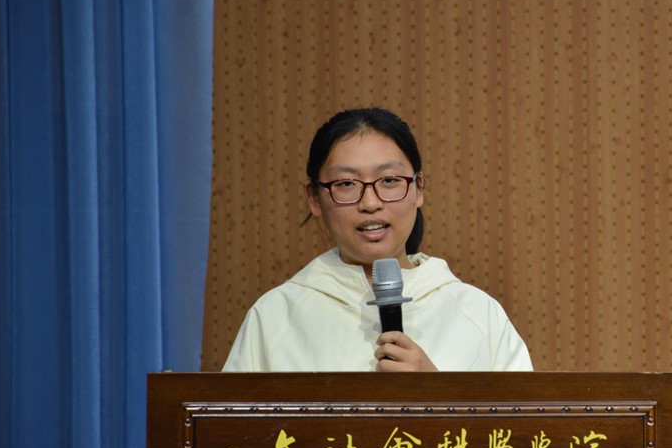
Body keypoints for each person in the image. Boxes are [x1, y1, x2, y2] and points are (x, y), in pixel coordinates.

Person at [223, 107, 533, 373]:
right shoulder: (275, 316)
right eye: (346, 183)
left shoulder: (478, 313)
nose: (370, 203)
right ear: (314, 197)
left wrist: (438, 393)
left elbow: (523, 423)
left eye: (389, 180)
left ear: (418, 188)